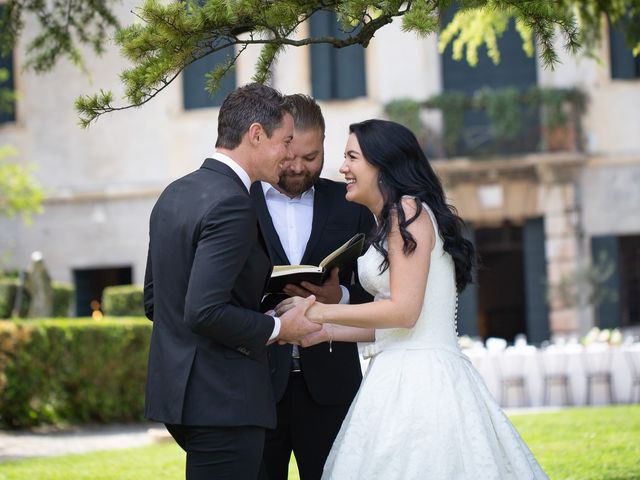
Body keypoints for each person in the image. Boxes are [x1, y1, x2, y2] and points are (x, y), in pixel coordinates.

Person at [277, 119, 549, 479]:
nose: (343, 168)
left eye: (352, 157)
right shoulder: (396, 216)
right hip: (397, 368)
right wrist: (322, 331)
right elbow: (392, 328)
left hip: (422, 383)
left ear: (382, 164)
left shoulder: (407, 213)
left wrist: (318, 309)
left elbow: (404, 312)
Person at [143, 83, 321, 480]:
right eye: (286, 141)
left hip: (182, 399)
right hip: (225, 400)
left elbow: (156, 302)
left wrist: (258, 309)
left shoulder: (175, 194)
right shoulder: (233, 203)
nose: (290, 154)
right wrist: (279, 326)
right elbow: (204, 310)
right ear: (256, 134)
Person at [250, 94, 375, 480]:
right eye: (290, 157)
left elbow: (384, 289)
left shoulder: (351, 203)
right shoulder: (238, 200)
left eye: (312, 157)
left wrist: (341, 297)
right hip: (255, 387)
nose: (299, 168)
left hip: (332, 385)